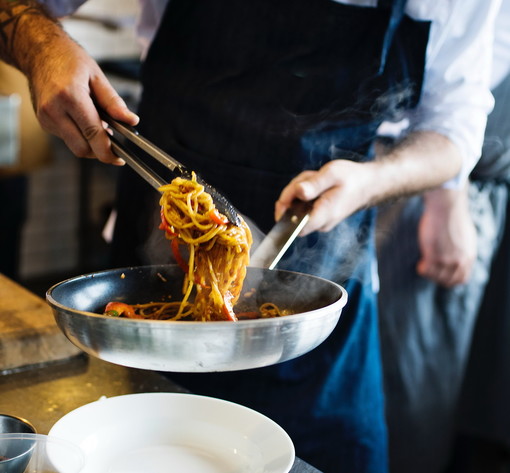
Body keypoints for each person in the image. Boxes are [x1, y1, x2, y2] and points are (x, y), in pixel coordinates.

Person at [0, 1, 501, 471]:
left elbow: (454, 127)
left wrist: (368, 181)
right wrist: (42, 46)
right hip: (151, 290)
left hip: (319, 291)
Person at [376, 2, 510, 471]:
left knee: (409, 399)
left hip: (420, 168)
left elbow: (458, 85)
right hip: (385, 161)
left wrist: (446, 198)